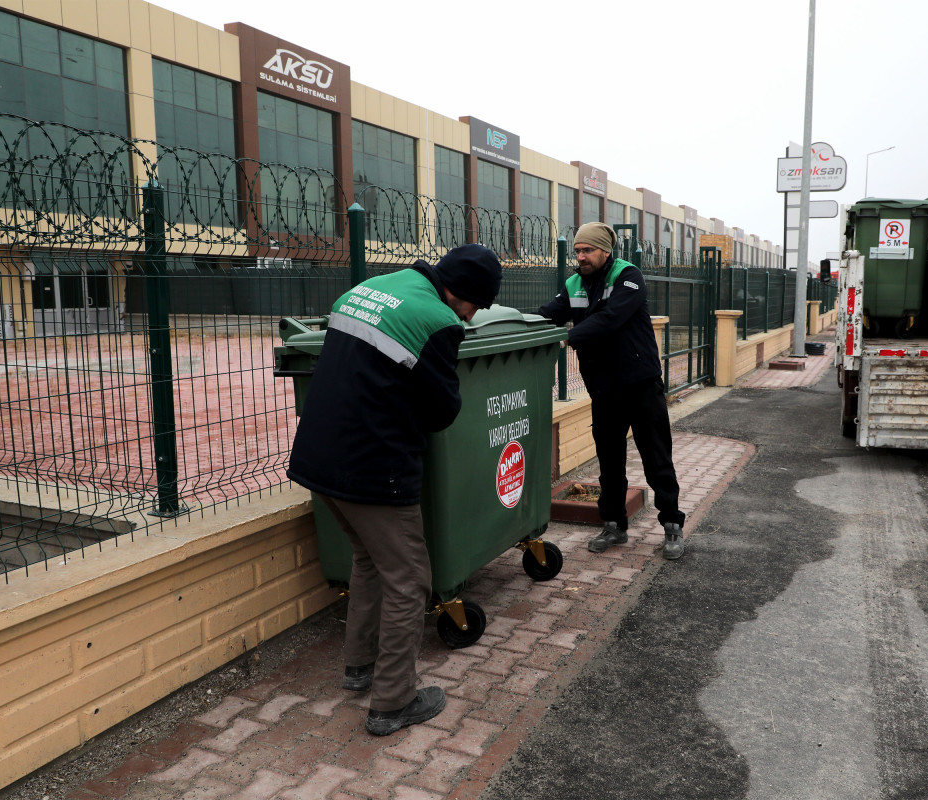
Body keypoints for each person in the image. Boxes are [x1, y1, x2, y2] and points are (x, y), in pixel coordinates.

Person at [287, 244, 502, 736]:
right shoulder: (437, 320)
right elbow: (443, 410)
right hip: (373, 468)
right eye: (477, 305)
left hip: (319, 459)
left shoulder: (371, 288)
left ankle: (359, 667)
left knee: (368, 561)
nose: (472, 317)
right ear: (463, 293)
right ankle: (392, 703)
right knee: (409, 581)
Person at [538, 221, 686, 559]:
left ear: (605, 251)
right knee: (609, 459)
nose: (581, 256)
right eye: (577, 251)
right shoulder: (574, 283)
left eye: (587, 250)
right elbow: (549, 314)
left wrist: (567, 336)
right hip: (604, 389)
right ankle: (615, 525)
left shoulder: (628, 276)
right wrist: (519, 325)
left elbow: (611, 318)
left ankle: (672, 523)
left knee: (656, 457)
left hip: (640, 384)